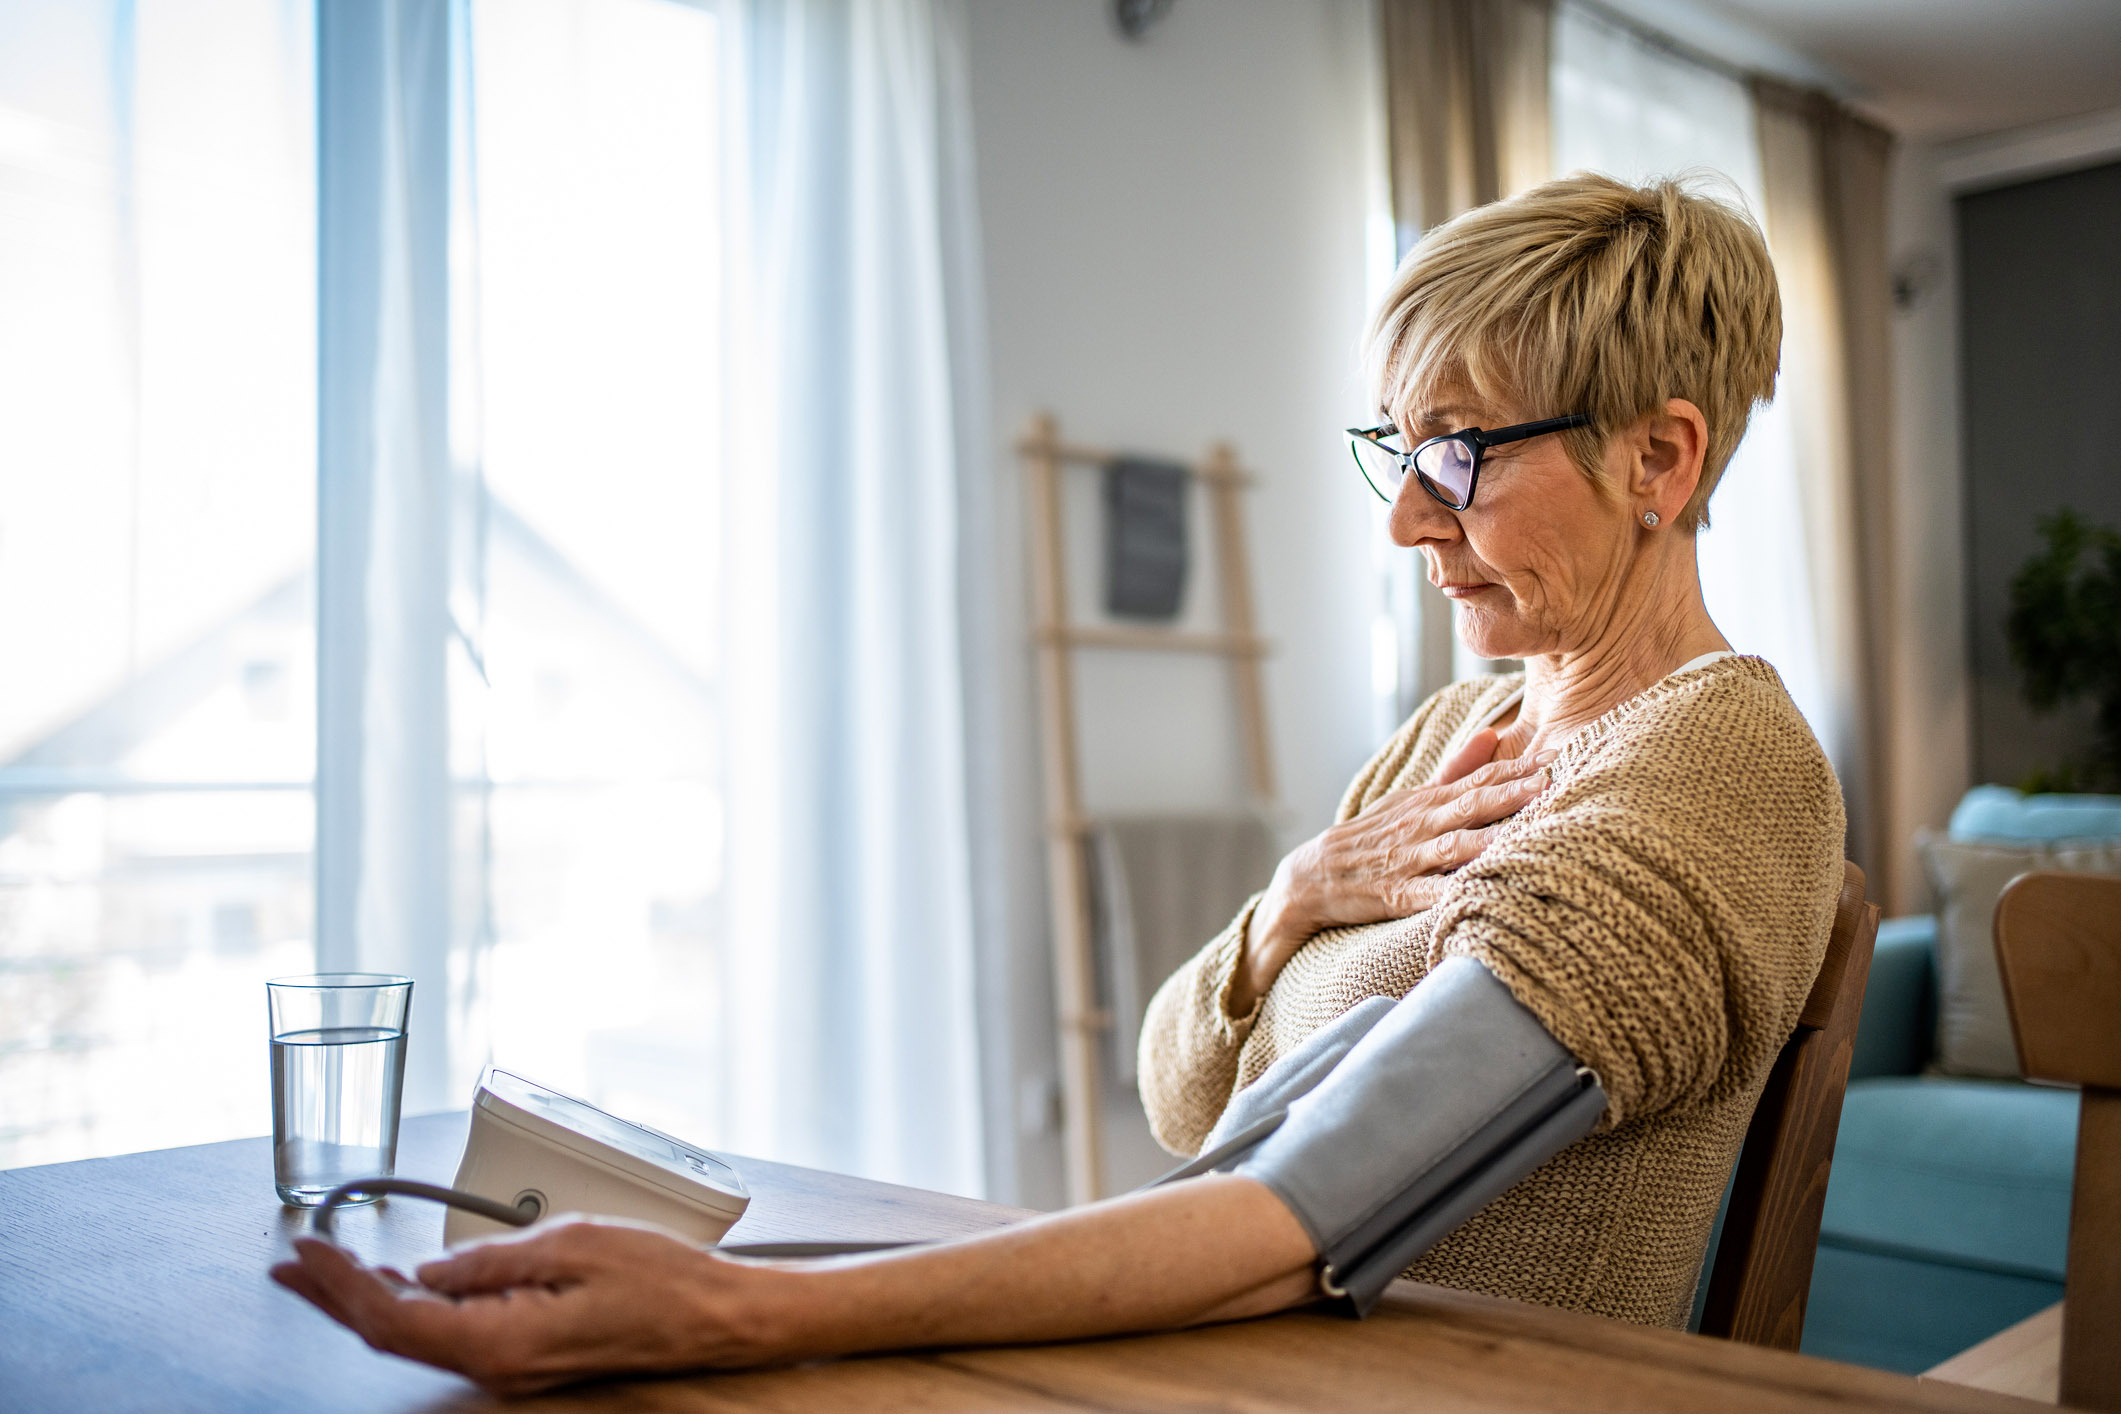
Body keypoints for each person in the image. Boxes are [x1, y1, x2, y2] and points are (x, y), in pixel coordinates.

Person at [272, 172, 1846, 1395]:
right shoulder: (1446, 739)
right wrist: (1291, 897)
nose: (1405, 521)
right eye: (1400, 450)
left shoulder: (1716, 766)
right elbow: (1182, 1096)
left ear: (1660, 459)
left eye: (1463, 453)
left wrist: (743, 1307)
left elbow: (1311, 1195)